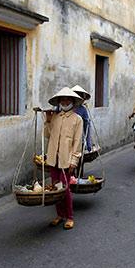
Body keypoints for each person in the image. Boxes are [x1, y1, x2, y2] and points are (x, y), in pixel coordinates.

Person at [44, 87, 84, 230]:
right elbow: (48, 135)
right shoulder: (55, 116)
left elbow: (77, 142)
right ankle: (59, 214)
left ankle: (70, 216)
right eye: (62, 99)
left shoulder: (77, 119)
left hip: (66, 160)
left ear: (72, 102)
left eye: (68, 99)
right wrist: (48, 121)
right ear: (59, 101)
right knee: (56, 188)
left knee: (65, 189)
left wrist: (74, 160)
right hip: (53, 158)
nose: (65, 101)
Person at [71, 84, 92, 152]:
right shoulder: (63, 107)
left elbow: (87, 126)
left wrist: (88, 143)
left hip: (78, 140)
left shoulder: (82, 110)